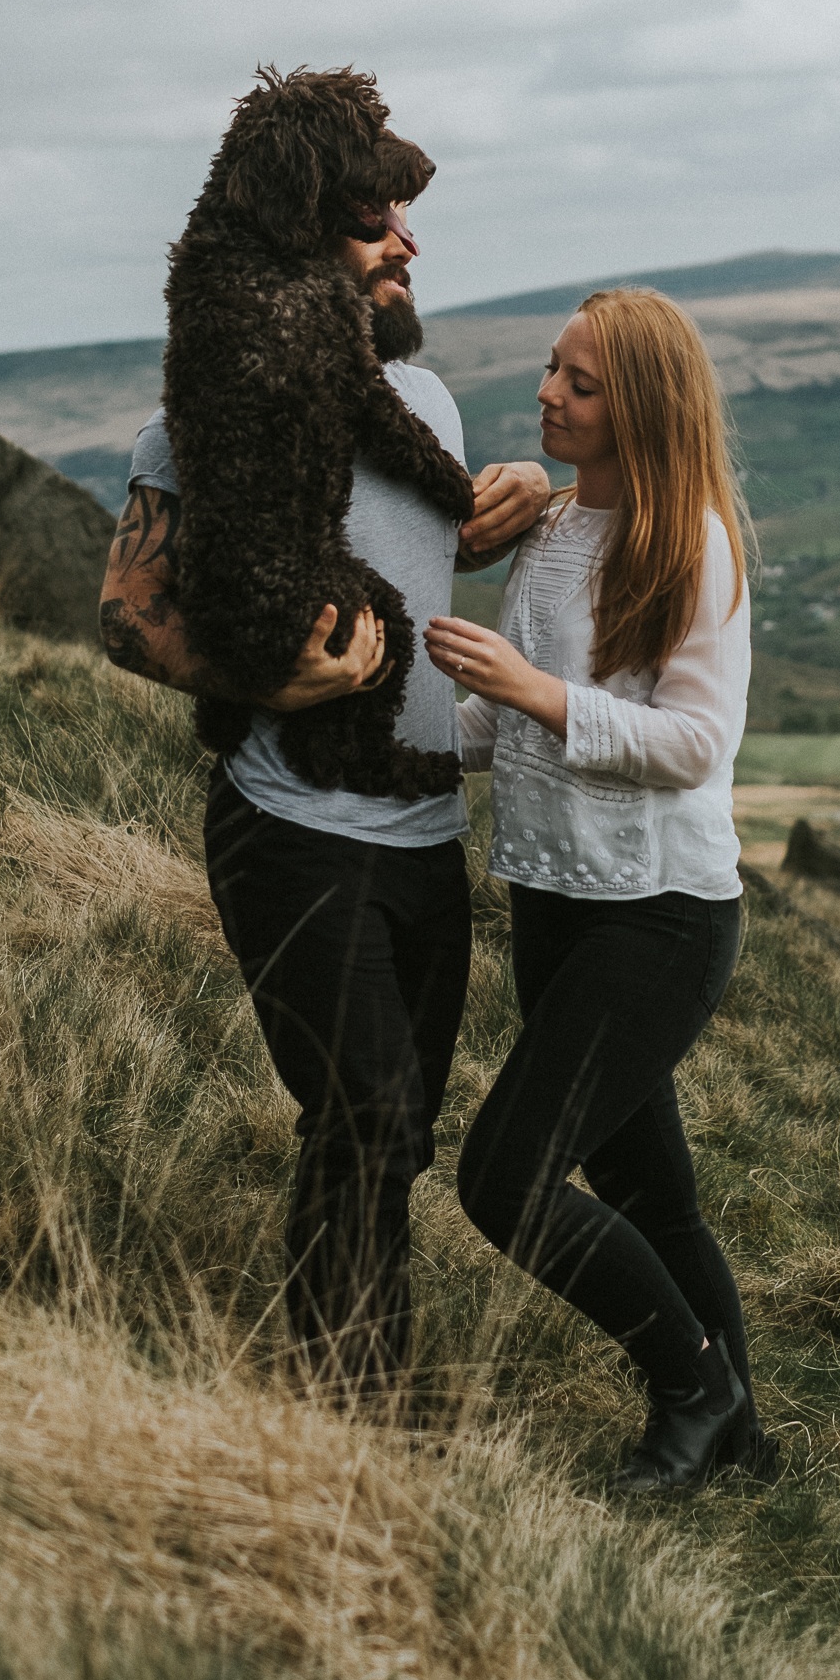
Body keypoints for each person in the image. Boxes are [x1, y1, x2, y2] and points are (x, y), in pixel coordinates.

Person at [99, 182, 551, 1405]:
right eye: (374, 218)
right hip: (289, 829)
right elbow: (126, 615)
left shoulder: (428, 402)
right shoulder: (207, 422)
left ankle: (362, 1372)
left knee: (396, 1135)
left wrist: (493, 502)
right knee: (362, 1109)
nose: (408, 241)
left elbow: (413, 551)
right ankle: (345, 1406)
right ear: (297, 242)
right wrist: (267, 679)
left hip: (423, 831)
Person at [424, 287, 779, 1494]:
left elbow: (693, 744)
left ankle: (689, 1390)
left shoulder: (696, 543)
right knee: (648, 1191)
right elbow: (503, 720)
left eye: (579, 382)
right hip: (552, 900)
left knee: (504, 1177)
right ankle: (738, 1445)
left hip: (662, 916)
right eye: (549, 371)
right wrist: (400, 741)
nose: (547, 395)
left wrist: (530, 692)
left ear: (641, 404)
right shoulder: (553, 529)